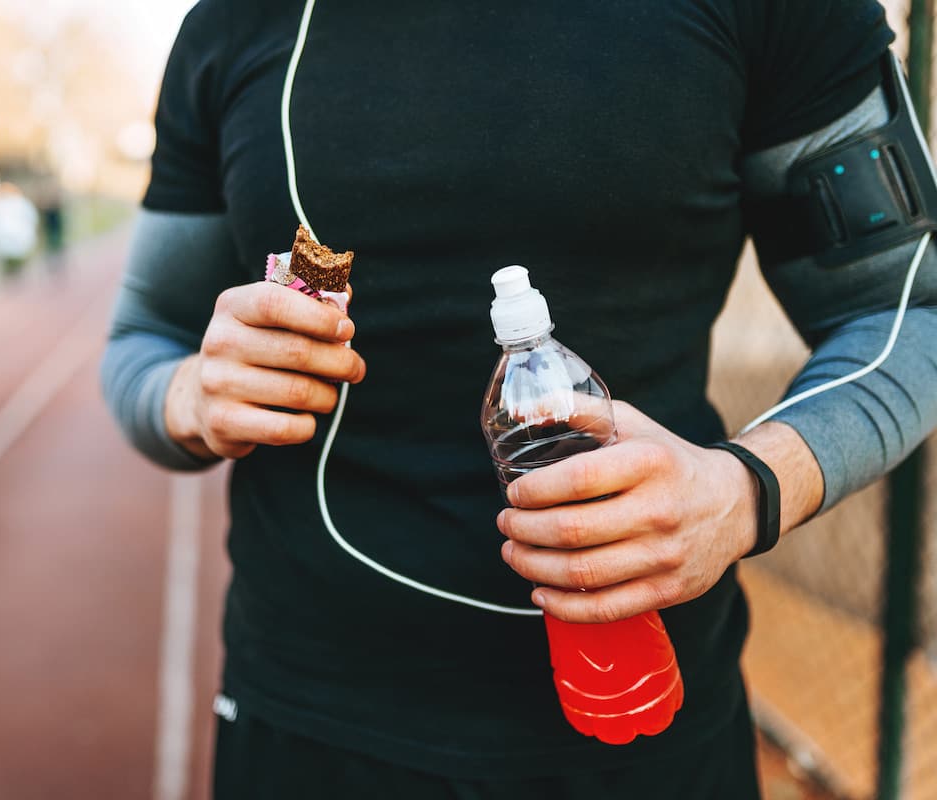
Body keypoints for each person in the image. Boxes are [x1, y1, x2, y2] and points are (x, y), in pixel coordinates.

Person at [102, 1, 937, 797]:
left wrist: (750, 487)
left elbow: (909, 312)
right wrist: (190, 397)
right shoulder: (228, 28)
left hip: (647, 709)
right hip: (308, 717)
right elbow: (144, 334)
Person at [0, 182, 38, 277]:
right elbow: (32, 218)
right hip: (20, 240)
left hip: (3, 242)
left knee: (8, 268)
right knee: (19, 267)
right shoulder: (22, 203)